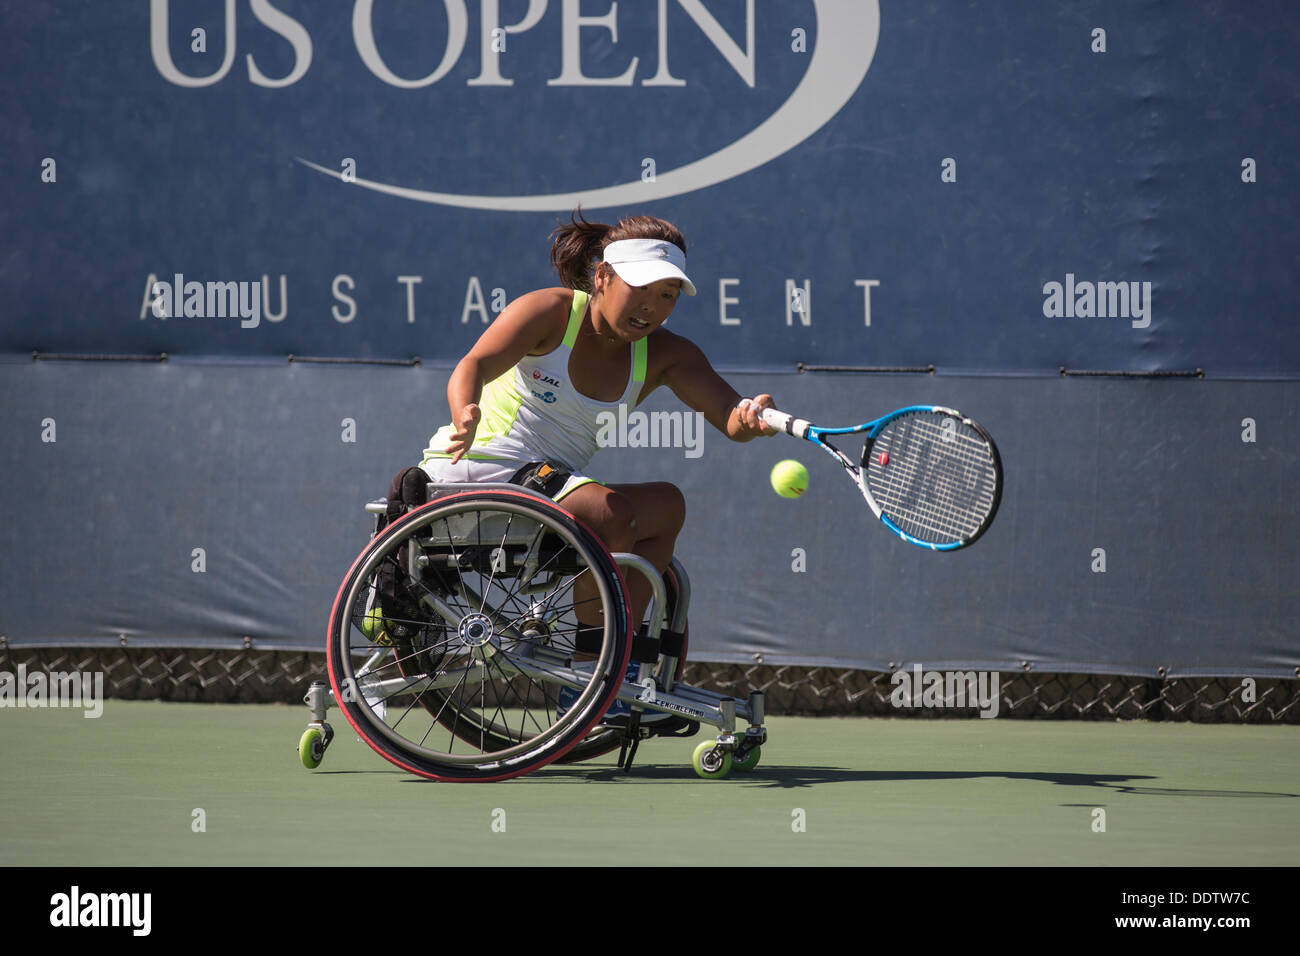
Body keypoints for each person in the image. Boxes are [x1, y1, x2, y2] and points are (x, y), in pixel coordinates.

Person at [407, 211, 777, 718]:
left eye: (668, 295)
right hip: (476, 472)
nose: (652, 307)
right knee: (610, 513)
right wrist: (464, 411)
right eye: (642, 289)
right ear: (602, 277)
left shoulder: (667, 354)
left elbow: (729, 417)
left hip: (545, 488)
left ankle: (611, 666)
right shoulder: (551, 312)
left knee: (666, 507)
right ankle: (588, 677)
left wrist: (749, 417)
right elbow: (473, 365)